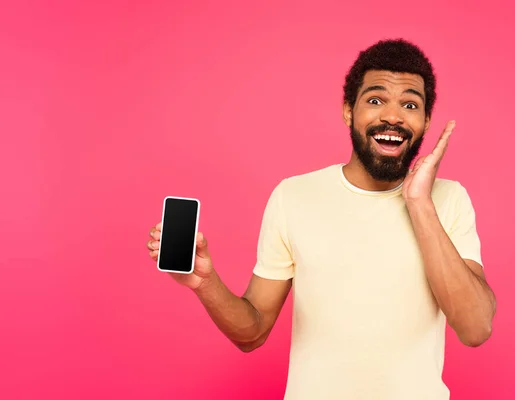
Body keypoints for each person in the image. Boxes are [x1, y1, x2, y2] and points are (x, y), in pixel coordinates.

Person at [146, 38, 496, 399]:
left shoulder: (448, 199)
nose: (393, 116)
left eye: (410, 104)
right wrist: (205, 282)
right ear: (348, 111)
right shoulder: (293, 196)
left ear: (424, 121)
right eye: (375, 100)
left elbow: (475, 328)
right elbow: (251, 333)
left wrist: (420, 202)